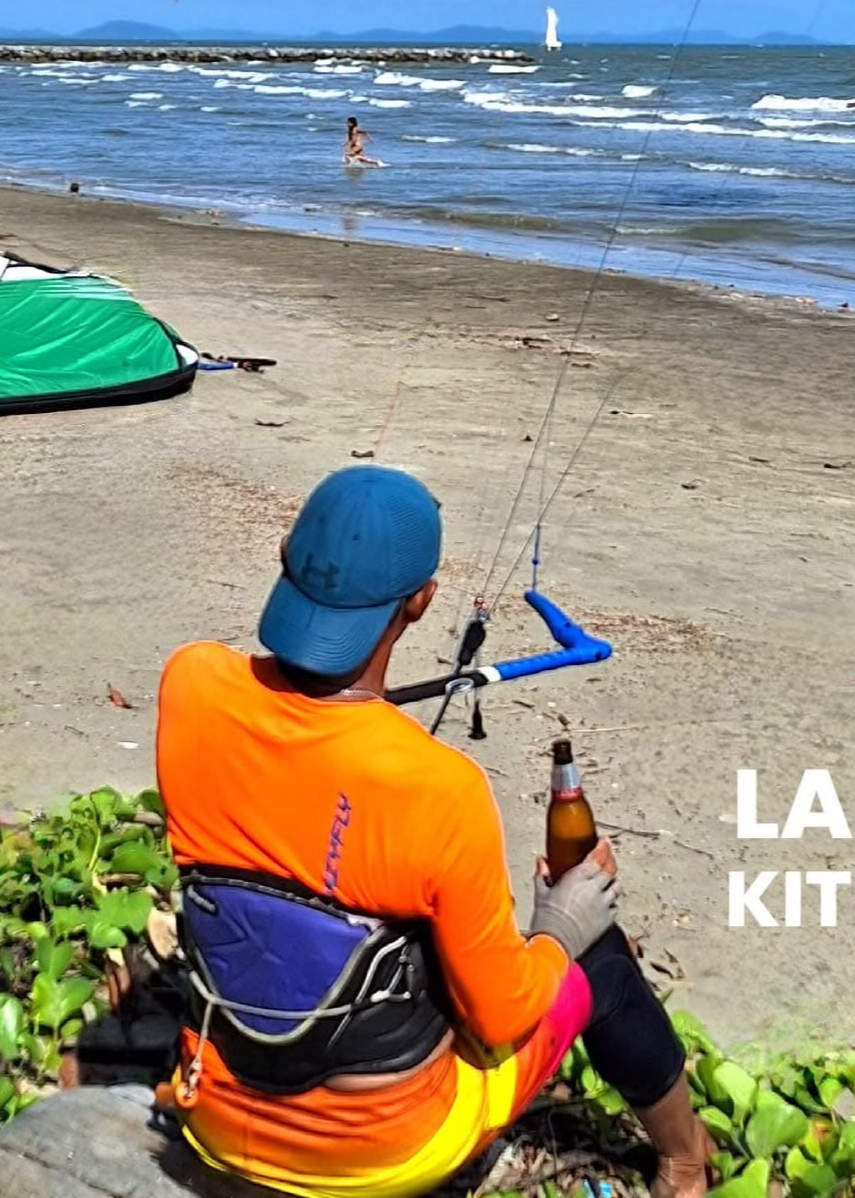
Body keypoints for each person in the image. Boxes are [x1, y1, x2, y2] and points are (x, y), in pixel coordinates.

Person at [154, 468, 704, 1198]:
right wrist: (558, 929)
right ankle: (687, 1159)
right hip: (382, 1156)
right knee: (594, 949)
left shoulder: (188, 684)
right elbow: (500, 1013)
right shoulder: (439, 787)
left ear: (285, 556)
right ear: (420, 602)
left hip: (215, 1115)